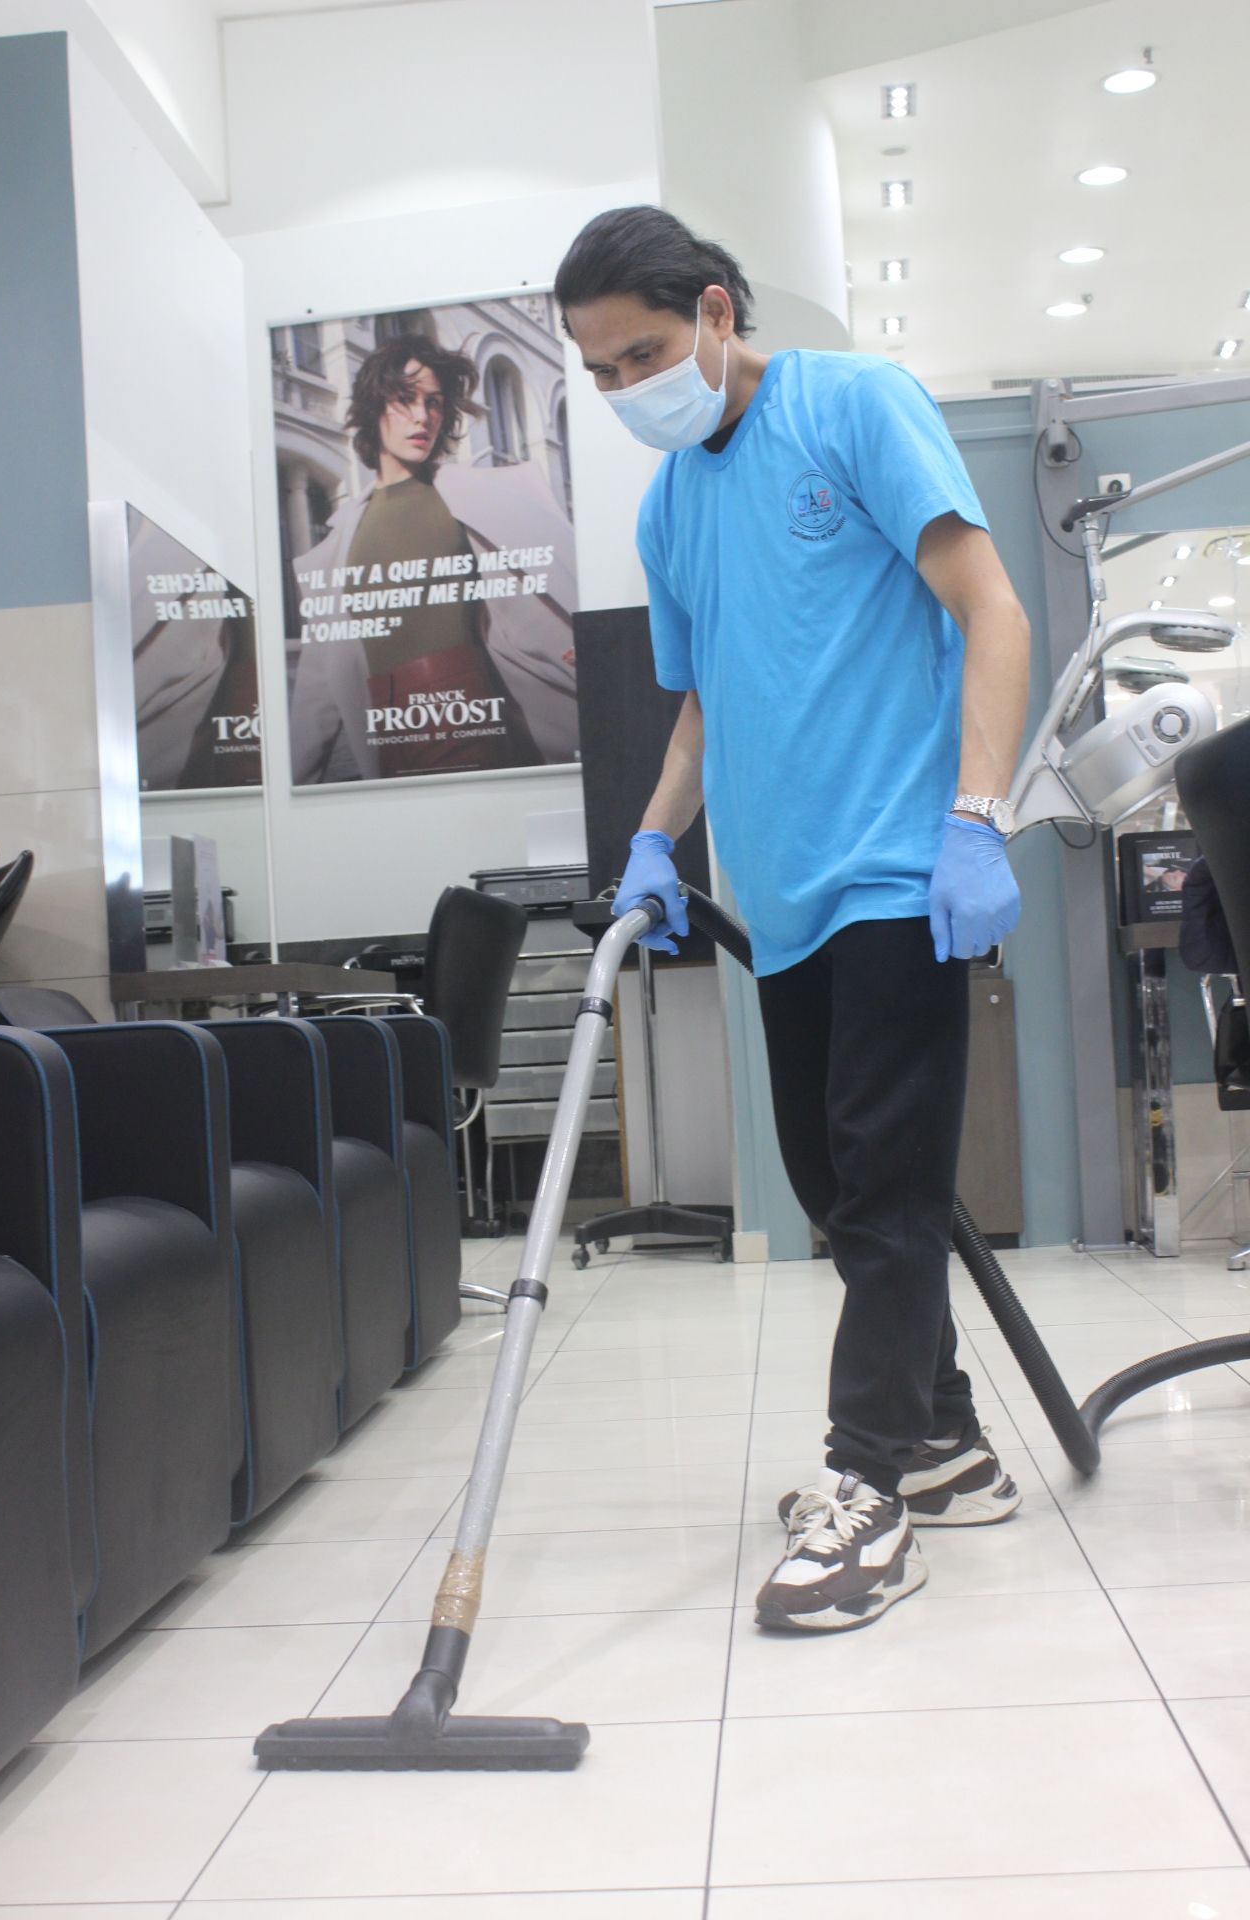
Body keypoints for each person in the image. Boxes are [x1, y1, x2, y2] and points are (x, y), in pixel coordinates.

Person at [555, 207, 1030, 1635]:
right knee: (838, 1196)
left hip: (900, 871)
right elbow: (702, 710)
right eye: (594, 371)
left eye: (641, 350)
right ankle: (943, 1445)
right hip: (787, 900)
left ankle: (868, 1486)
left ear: (714, 310)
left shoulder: (854, 406)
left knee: (886, 1195)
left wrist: (978, 817)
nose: (626, 387)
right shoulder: (669, 507)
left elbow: (990, 607)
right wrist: (652, 833)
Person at [288, 333, 539, 780]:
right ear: (373, 407)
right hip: (386, 735)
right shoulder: (341, 535)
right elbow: (318, 686)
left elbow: (535, 592)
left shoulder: (469, 496)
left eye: (435, 402)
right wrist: (294, 788)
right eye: (406, 398)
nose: (423, 416)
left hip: (467, 718)